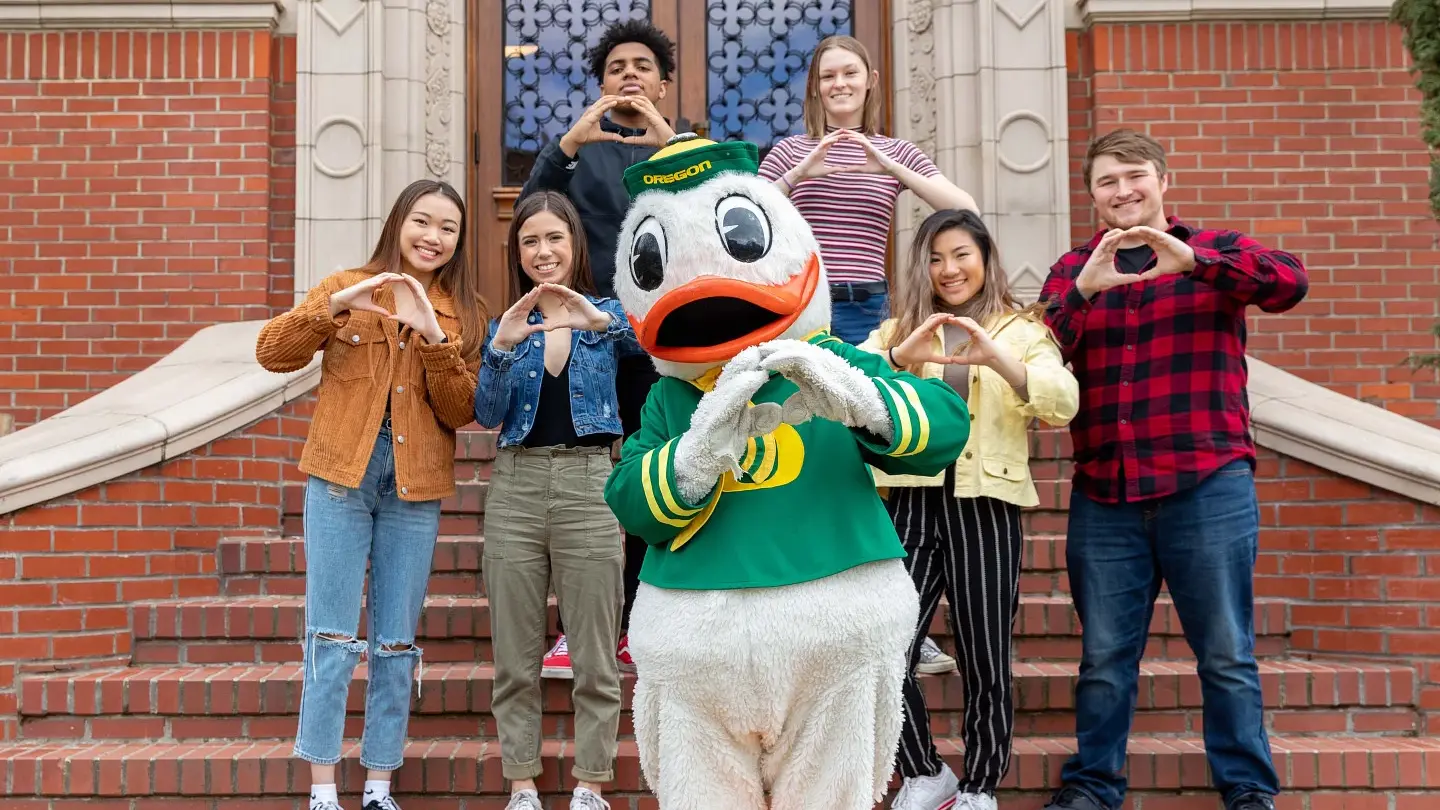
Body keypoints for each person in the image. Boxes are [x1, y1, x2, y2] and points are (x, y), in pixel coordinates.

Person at [1038, 128, 1308, 810]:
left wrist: (1195, 263)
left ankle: (1248, 790)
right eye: (1106, 180)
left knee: (1226, 657)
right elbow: (1037, 360)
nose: (1122, 190)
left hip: (1206, 485)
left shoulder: (1214, 251)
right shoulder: (1074, 267)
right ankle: (1095, 787)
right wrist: (1085, 294)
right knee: (1103, 661)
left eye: (1133, 175)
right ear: (1092, 194)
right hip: (1107, 495)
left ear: (1161, 179)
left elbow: (1289, 283)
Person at [255, 179, 485, 810]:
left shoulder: (464, 312)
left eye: (447, 228)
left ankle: (379, 783)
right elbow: (272, 352)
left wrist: (435, 340)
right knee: (329, 634)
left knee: (395, 641)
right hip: (340, 477)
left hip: (415, 488)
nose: (432, 237)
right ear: (398, 224)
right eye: (422, 222)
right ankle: (323, 789)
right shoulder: (347, 286)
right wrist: (332, 308)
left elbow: (463, 410)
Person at [757, 34, 977, 675]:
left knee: (873, 452)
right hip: (805, 311)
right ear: (816, 86)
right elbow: (755, 211)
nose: (839, 84)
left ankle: (899, 618)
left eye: (849, 73)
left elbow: (961, 206)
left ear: (870, 79)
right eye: (828, 76)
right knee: (813, 448)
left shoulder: (894, 150)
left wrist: (886, 165)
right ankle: (805, 598)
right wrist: (809, 167)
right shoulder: (791, 150)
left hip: (870, 309)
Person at [861, 209, 1078, 810]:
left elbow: (1061, 401)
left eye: (960, 255)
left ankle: (981, 785)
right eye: (934, 258)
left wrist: (994, 358)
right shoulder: (900, 327)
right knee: (885, 648)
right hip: (910, 498)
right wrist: (903, 355)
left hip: (985, 505)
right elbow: (848, 385)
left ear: (984, 257)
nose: (948, 270)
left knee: (985, 653)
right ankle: (925, 771)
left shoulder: (1019, 327)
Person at [473, 190, 642, 810]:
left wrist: (606, 323)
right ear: (517, 253)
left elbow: (654, 345)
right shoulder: (506, 324)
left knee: (595, 656)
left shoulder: (606, 316)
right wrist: (498, 349)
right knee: (514, 657)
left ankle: (590, 785)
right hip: (515, 487)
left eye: (554, 239)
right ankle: (522, 783)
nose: (543, 252)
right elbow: (487, 414)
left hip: (590, 484)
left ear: (575, 246)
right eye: (530, 242)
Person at [520, 18, 678, 679]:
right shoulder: (577, 151)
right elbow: (531, 212)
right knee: (582, 493)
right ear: (600, 84)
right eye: (617, 68)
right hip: (587, 337)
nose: (631, 75)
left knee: (645, 484)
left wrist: (669, 139)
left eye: (643, 66)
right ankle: (573, 631)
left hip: (658, 340)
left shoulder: (682, 147)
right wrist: (570, 141)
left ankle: (636, 622)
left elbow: (725, 202)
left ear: (664, 86)